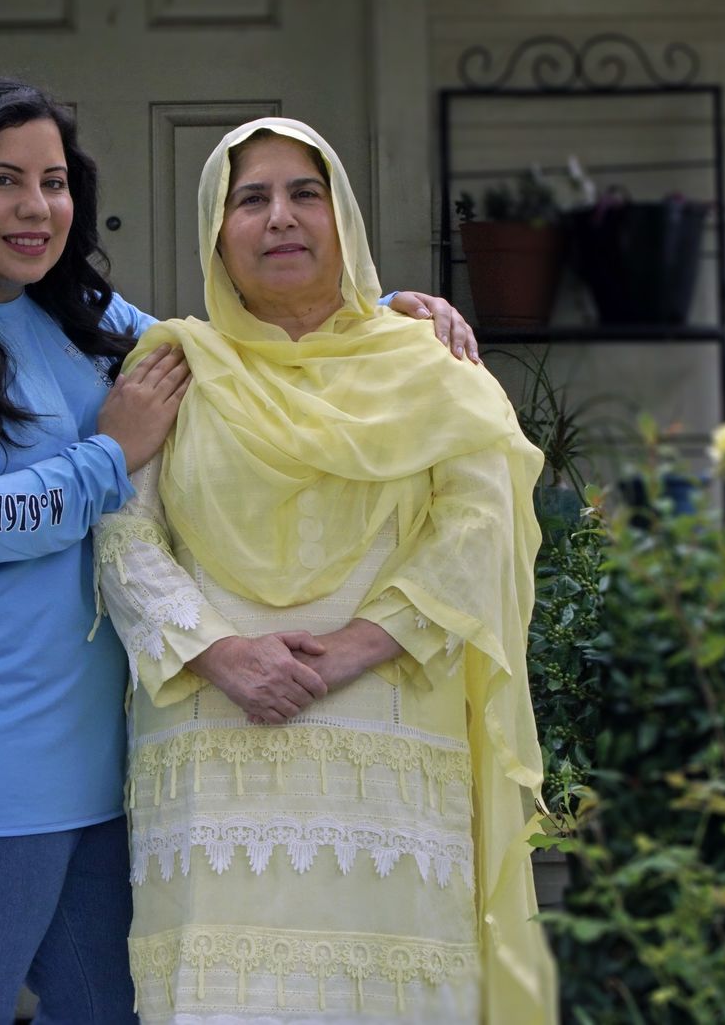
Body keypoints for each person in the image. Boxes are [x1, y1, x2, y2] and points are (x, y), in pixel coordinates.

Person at [0, 77, 480, 1024]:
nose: (34, 208)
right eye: (2, 181)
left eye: (53, 182)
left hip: (93, 765)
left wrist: (378, 319)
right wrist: (109, 455)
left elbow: (244, 357)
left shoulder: (82, 316)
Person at [97, 117, 559, 1023]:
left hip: (385, 745)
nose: (281, 218)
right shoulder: (176, 364)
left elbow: (480, 525)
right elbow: (122, 534)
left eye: (305, 193)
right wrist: (219, 652)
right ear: (215, 233)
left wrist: (351, 648)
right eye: (251, 198)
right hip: (213, 741)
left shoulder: (430, 365)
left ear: (343, 217)